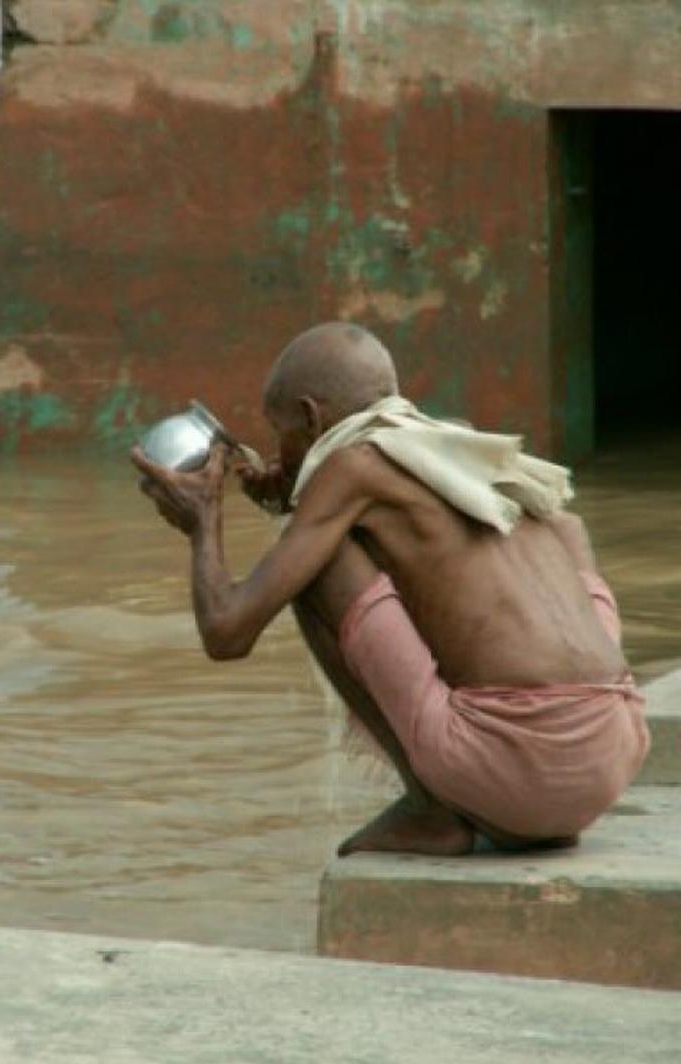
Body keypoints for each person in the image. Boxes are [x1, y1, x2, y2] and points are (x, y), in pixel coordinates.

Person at [131, 323, 649, 856]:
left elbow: (227, 632)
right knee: (564, 527)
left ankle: (431, 808)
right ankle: (517, 799)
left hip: (518, 765)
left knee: (317, 559)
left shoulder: (354, 467)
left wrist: (204, 524)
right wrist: (296, 494)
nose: (277, 453)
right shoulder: (456, 445)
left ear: (311, 417)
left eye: (278, 431)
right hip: (612, 751)